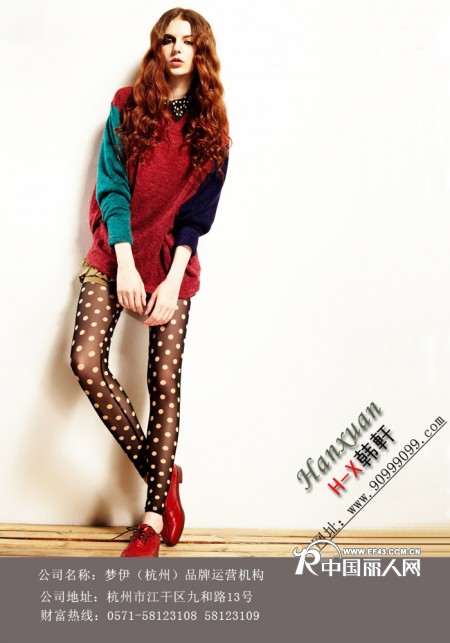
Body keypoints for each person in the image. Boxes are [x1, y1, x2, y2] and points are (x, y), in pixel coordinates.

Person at [70, 7, 230, 557]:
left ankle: (152, 518)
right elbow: (112, 187)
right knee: (85, 362)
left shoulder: (212, 129)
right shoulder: (127, 105)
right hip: (115, 254)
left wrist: (172, 275)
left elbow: (196, 218)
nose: (178, 48)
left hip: (172, 263)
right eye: (168, 39)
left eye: (189, 41)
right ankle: (164, 476)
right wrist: (126, 260)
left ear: (202, 52)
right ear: (157, 48)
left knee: (163, 381)